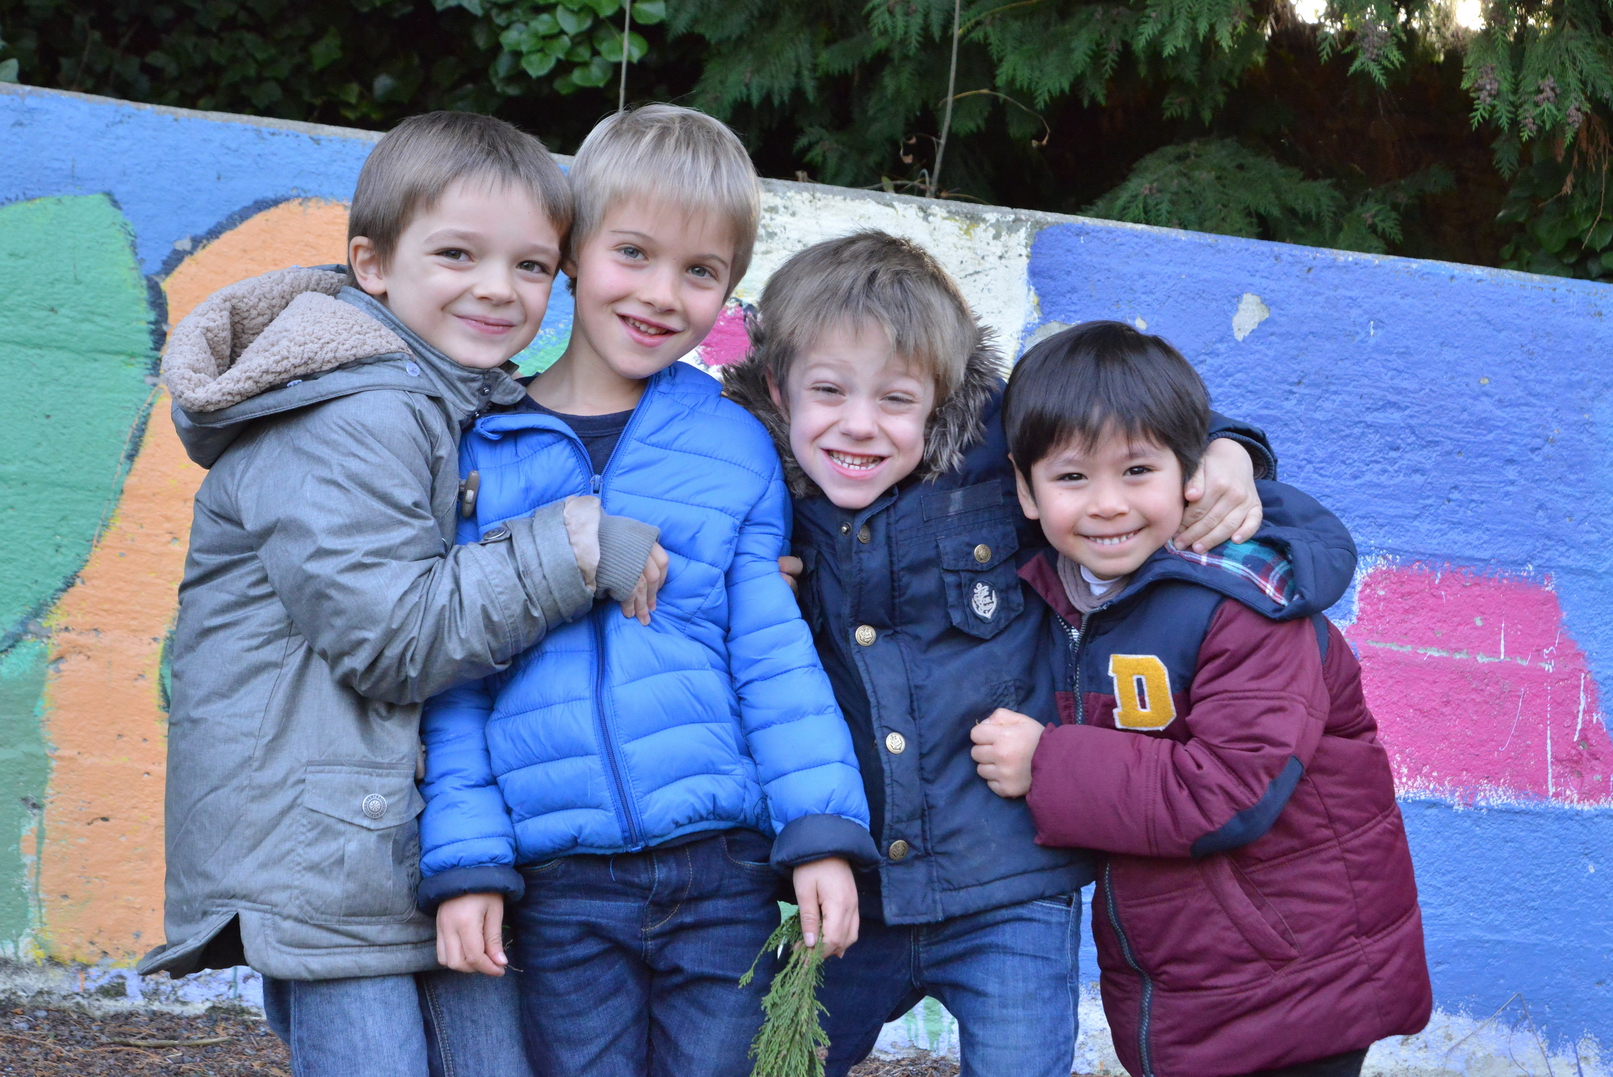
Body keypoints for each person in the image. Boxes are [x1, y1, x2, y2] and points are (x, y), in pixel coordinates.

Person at [721, 231, 1349, 1077]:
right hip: (851, 884)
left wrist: (1227, 449)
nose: (859, 424)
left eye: (896, 397)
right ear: (778, 386)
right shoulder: (749, 471)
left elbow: (1116, 421)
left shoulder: (996, 454)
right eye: (828, 390)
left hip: (1009, 881)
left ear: (944, 395)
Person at [139, 111, 666, 1077]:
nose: (497, 288)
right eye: (458, 253)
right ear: (373, 264)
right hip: (322, 845)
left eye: (530, 265)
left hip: (402, 835)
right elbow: (391, 635)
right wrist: (571, 547)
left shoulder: (445, 396)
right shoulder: (354, 411)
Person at [417, 104, 877, 1077]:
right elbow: (455, 677)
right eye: (633, 253)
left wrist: (819, 833)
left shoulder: (733, 444)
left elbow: (771, 654)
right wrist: (465, 859)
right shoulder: (481, 448)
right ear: (571, 251)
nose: (662, 294)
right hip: (556, 880)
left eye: (700, 271)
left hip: (722, 868)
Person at [973, 320, 1431, 1077]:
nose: (1107, 504)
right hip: (1193, 975)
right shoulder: (1066, 585)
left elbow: (1228, 790)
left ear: (1190, 473)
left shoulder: (1244, 601)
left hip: (1301, 973)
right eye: (1072, 478)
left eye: (1137, 471)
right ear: (1025, 488)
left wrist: (1046, 764)